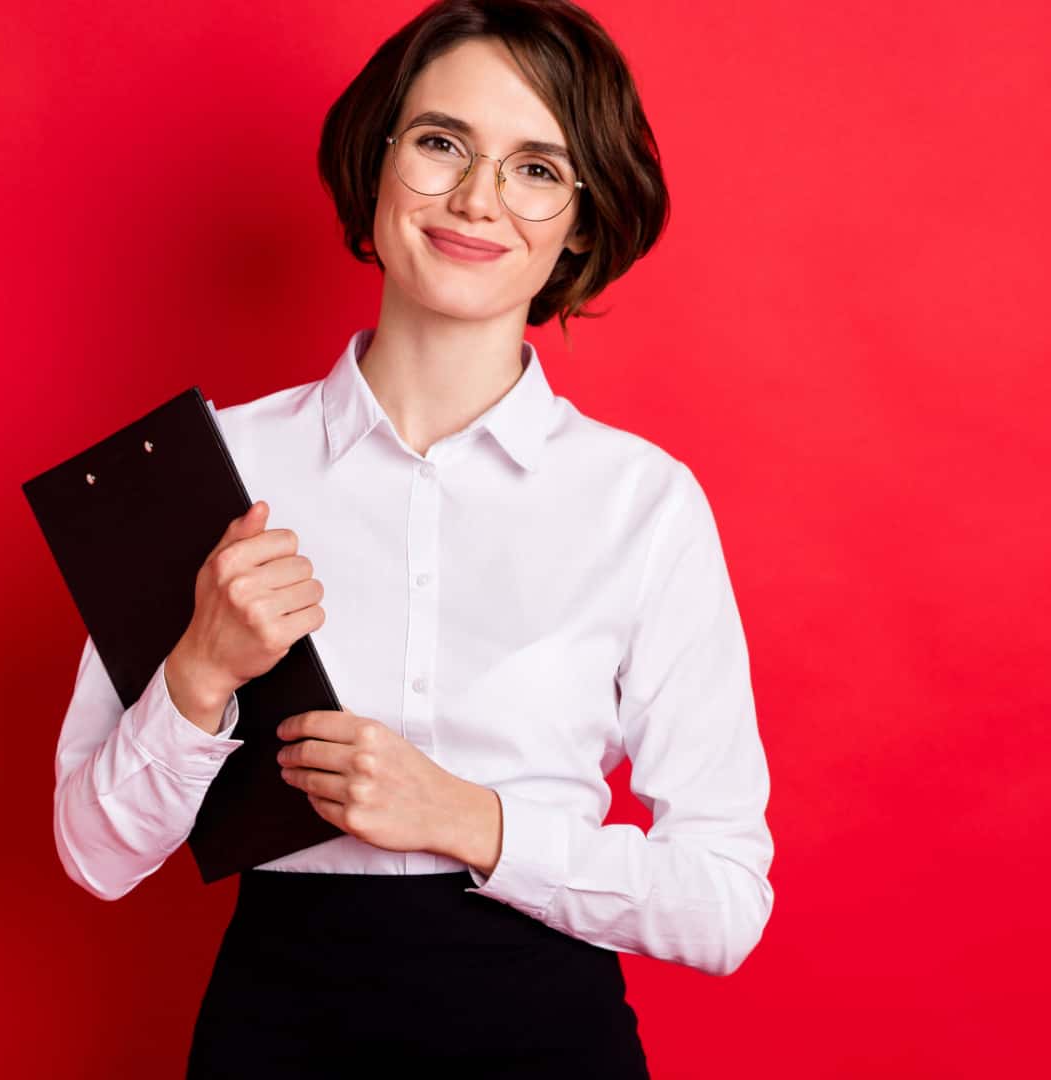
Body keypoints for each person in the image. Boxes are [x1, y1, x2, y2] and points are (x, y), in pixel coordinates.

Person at [50, 1, 773, 1075]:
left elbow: (724, 902)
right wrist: (199, 671)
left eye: (537, 168)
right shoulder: (222, 471)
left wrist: (471, 820)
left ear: (582, 218)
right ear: (379, 162)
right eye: (442, 144)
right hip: (275, 1035)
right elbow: (94, 855)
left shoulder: (643, 503)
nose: (479, 198)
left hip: (546, 1038)